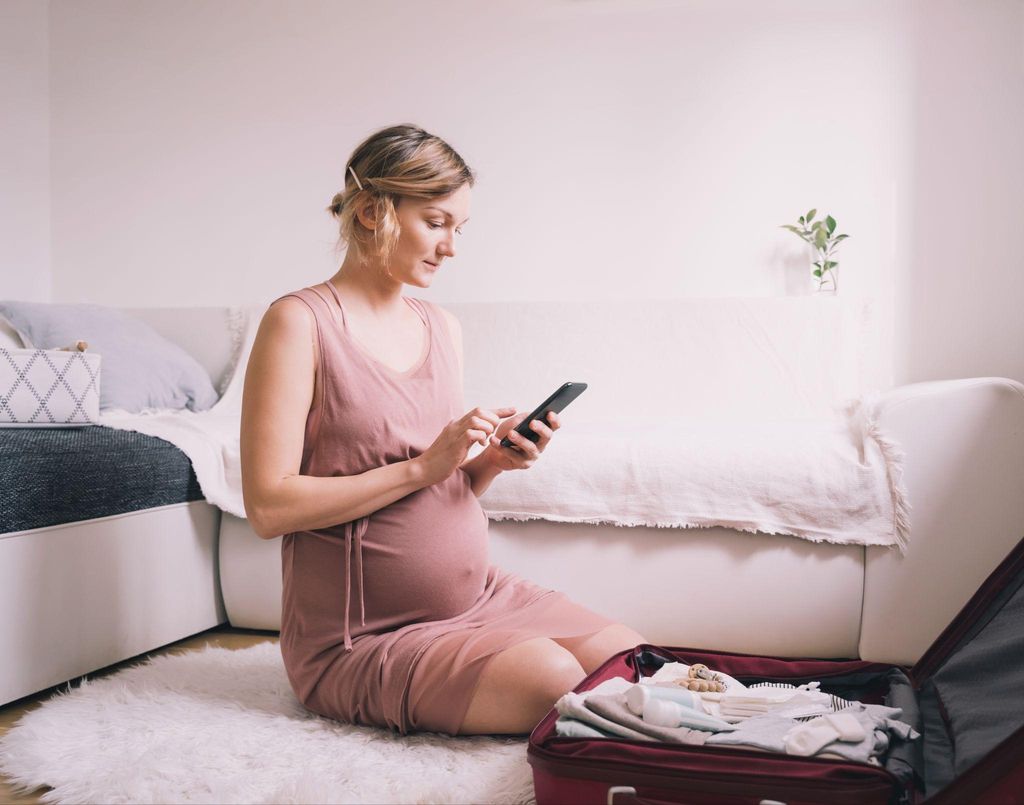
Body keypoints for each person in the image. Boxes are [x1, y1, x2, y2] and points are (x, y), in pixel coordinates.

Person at [240, 123, 648, 737]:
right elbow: (268, 507)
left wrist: (488, 463)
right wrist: (424, 467)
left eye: (460, 228)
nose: (451, 247)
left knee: (630, 660)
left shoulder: (440, 326)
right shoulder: (298, 323)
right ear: (375, 210)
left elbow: (432, 488)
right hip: (361, 639)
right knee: (554, 681)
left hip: (476, 598)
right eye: (437, 222)